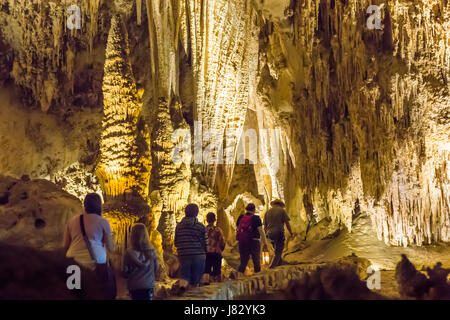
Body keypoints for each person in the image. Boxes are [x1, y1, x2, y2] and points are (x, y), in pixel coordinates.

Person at [62, 193, 116, 299]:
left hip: (74, 262)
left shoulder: (72, 221)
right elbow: (110, 247)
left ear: (85, 205)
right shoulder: (102, 221)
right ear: (99, 205)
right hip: (96, 264)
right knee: (99, 294)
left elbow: (65, 246)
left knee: (74, 295)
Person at [122, 223, 159, 300]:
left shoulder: (128, 253)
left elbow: (125, 272)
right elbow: (156, 268)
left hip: (134, 287)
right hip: (148, 286)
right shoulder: (152, 252)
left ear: (132, 236)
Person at [174, 203, 207, 288]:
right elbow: (206, 242)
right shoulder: (200, 226)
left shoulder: (179, 226)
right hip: (198, 254)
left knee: (185, 274)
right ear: (196, 213)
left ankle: (183, 287)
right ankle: (194, 288)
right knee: (196, 276)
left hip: (183, 254)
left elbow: (176, 242)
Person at [236, 203, 269, 276]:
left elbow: (238, 228)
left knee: (243, 262)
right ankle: (258, 280)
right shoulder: (256, 218)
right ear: (254, 210)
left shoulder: (241, 217)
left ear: (246, 209)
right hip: (254, 242)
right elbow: (261, 231)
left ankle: (239, 279)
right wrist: (265, 242)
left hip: (242, 242)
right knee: (256, 261)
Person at [263, 199, 293, 268]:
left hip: (269, 234)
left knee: (276, 249)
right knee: (279, 250)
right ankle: (272, 266)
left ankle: (280, 264)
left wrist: (265, 236)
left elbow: (265, 226)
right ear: (280, 205)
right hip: (278, 232)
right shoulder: (281, 211)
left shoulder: (267, 212)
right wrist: (291, 233)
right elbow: (287, 223)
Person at [202, 212, 226, 284]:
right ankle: (217, 285)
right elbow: (222, 242)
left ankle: (206, 283)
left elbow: (202, 242)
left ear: (207, 220)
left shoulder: (204, 230)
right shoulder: (218, 230)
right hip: (216, 253)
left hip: (207, 253)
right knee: (217, 270)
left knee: (206, 269)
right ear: (214, 220)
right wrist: (220, 249)